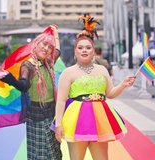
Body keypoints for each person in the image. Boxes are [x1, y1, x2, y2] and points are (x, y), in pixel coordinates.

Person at [53, 15, 136, 160]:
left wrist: (123, 85)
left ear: (93, 51)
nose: (84, 50)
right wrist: (59, 124)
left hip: (100, 118)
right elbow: (61, 100)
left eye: (88, 47)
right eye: (80, 47)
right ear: (75, 51)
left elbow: (109, 93)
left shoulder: (102, 70)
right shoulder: (68, 72)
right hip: (77, 120)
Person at [0, 25, 62, 159]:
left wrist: (55, 33)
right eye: (44, 44)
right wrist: (10, 80)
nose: (46, 48)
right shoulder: (28, 65)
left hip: (51, 114)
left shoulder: (48, 63)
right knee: (41, 155)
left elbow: (58, 51)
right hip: (36, 116)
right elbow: (23, 85)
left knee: (54, 152)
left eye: (50, 47)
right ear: (36, 44)